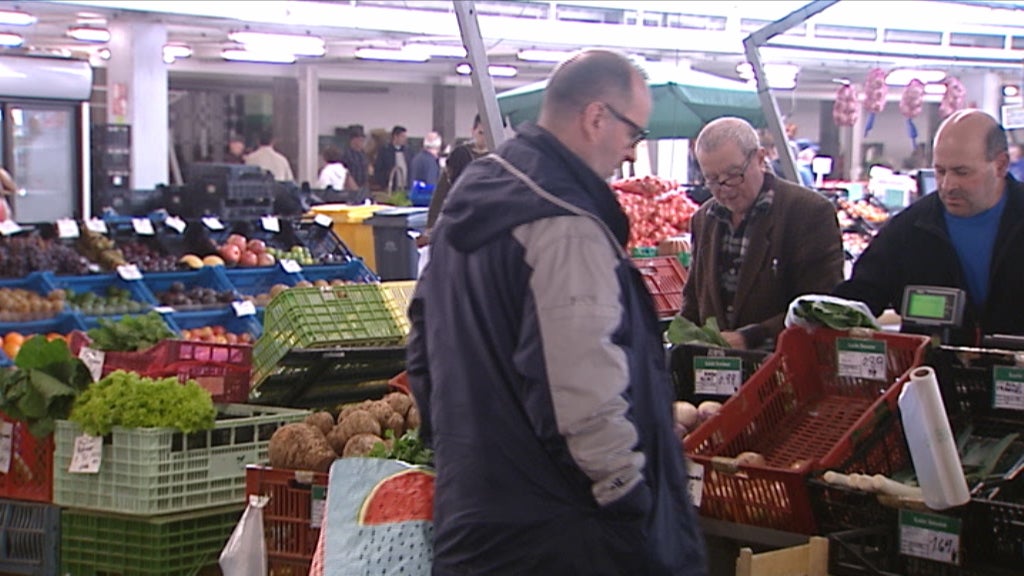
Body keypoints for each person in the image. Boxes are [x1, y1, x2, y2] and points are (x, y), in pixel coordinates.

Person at [407, 49, 706, 575]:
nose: (630, 154)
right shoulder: (563, 224)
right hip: (562, 538)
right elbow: (581, 393)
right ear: (596, 117)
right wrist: (630, 504)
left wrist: (460, 450)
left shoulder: (473, 197)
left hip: (475, 515)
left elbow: (422, 344)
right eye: (633, 133)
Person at [834, 109, 1024, 346]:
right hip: (933, 378)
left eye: (962, 172)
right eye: (940, 171)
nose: (948, 185)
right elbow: (861, 296)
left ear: (1001, 165)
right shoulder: (910, 229)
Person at [680, 117, 843, 350]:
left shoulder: (809, 213)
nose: (725, 188)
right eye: (712, 180)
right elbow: (694, 298)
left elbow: (821, 306)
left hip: (782, 368)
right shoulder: (704, 219)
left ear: (760, 158)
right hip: (716, 371)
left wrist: (751, 337)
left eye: (734, 174)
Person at [426, 114, 489, 231]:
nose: (484, 138)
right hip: (460, 216)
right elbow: (441, 191)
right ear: (473, 131)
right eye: (481, 133)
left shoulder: (497, 157)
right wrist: (431, 224)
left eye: (488, 133)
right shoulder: (459, 155)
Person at [373, 125, 412, 191]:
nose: (405, 139)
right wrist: (383, 184)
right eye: (402, 136)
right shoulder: (385, 151)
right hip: (391, 187)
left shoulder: (408, 151)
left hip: (406, 187)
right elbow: (378, 170)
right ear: (395, 136)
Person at [340, 124, 370, 193]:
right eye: (360, 140)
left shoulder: (362, 154)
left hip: (363, 188)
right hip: (350, 191)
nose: (362, 143)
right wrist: (355, 190)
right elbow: (346, 174)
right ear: (353, 140)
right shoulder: (345, 154)